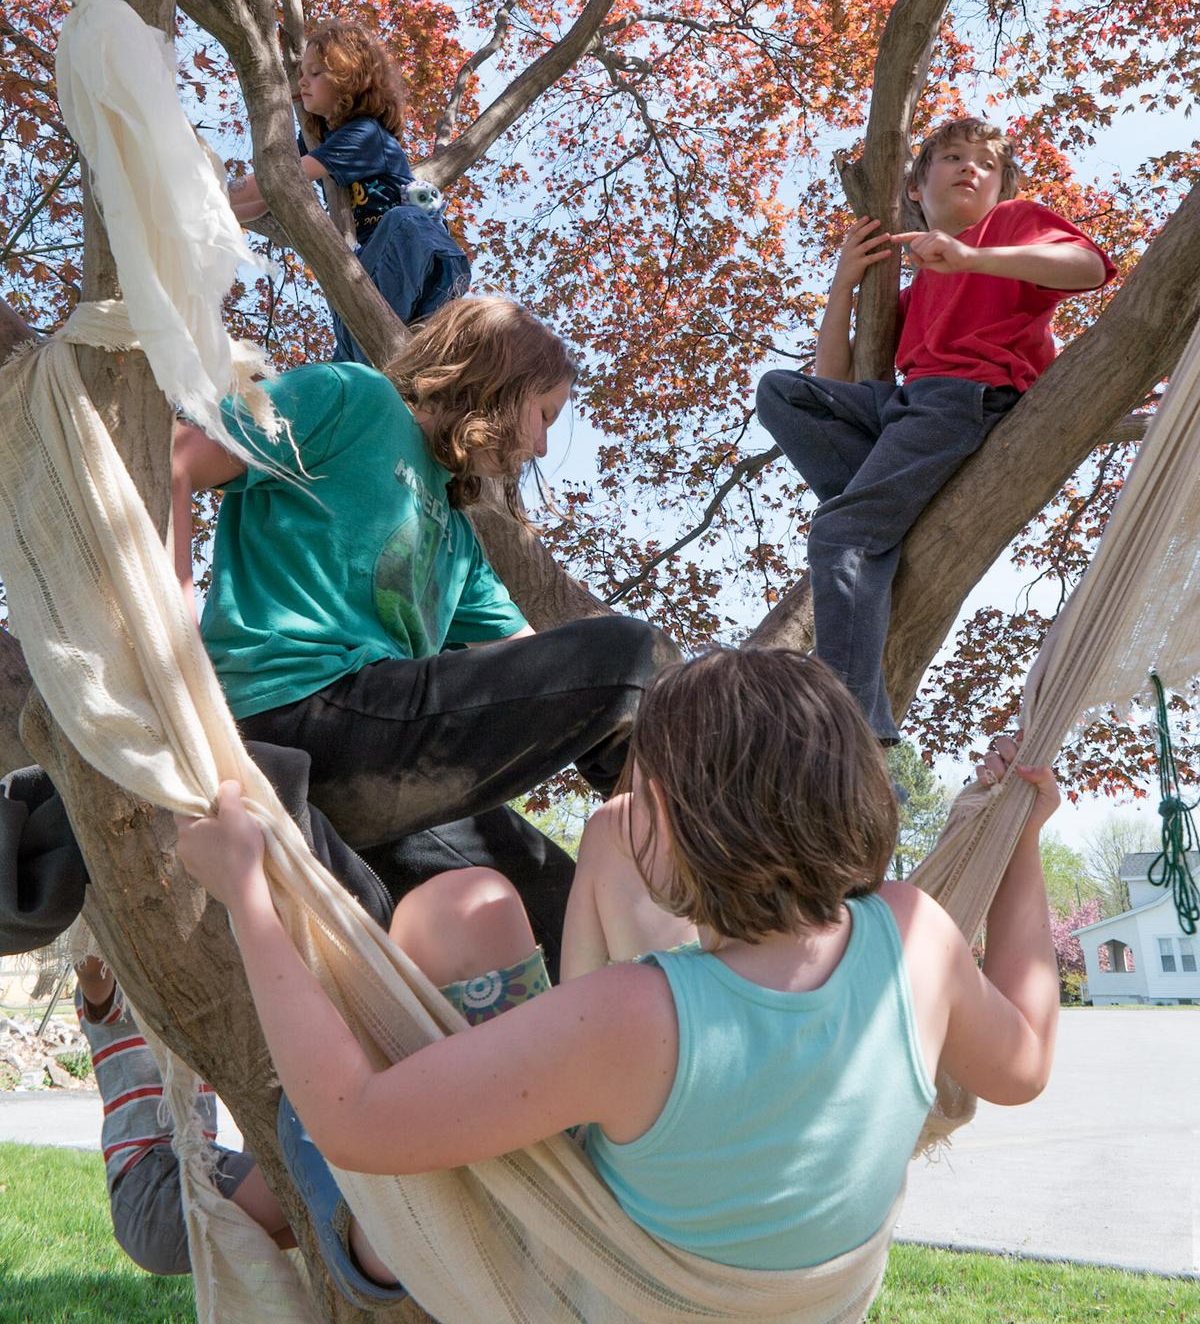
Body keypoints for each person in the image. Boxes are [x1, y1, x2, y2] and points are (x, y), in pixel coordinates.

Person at [177, 648, 1060, 1304]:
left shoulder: (641, 1016)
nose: (632, 815)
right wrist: (1022, 842)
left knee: (312, 1114)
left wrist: (249, 896)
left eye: (648, 798)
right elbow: (1025, 1066)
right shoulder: (915, 935)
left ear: (686, 824)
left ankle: (342, 1236)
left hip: (567, 1279)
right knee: (469, 904)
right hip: (788, 1295)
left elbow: (355, 1123)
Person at [172, 293, 671, 973]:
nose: (542, 446)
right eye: (545, 415)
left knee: (555, 911)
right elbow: (180, 456)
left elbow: (539, 668)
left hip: (374, 765)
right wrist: (175, 646)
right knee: (630, 655)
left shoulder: (458, 539)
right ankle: (695, 869)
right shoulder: (352, 396)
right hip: (297, 708)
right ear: (500, 379)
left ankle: (653, 963)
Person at [756, 115, 1116, 739]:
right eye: (952, 157)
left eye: (987, 164)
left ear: (1002, 189)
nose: (970, 167)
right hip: (906, 406)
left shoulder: (1008, 225)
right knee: (782, 392)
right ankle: (881, 521)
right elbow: (833, 384)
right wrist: (844, 285)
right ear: (916, 189)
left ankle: (850, 723)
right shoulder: (918, 288)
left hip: (966, 400)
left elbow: (1087, 267)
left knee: (843, 532)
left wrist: (974, 256)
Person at [228, 18, 470, 361]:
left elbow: (278, 179)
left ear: (350, 79)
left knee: (403, 220)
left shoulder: (365, 135)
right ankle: (363, 360)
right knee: (339, 372)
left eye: (316, 73)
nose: (303, 81)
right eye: (302, 73)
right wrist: (207, 210)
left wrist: (206, 189)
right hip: (368, 280)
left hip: (418, 263)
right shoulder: (315, 143)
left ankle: (401, 347)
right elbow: (265, 197)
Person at [74, 954, 291, 1274]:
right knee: (319, 1187)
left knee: (334, 1229)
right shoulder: (118, 983)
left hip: (194, 1175)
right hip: (155, 1185)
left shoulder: (192, 1003)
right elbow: (92, 968)